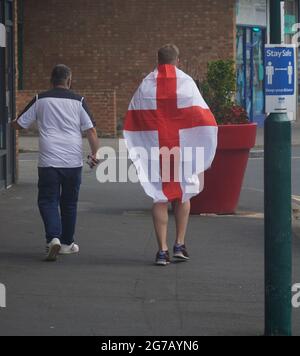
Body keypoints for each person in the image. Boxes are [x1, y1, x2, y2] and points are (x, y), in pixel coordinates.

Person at [124, 45, 218, 266]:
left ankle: (162, 251)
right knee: (183, 194)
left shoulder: (146, 84)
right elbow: (202, 115)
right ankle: (179, 244)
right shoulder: (187, 83)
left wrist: (140, 145)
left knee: (159, 196)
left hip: (156, 150)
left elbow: (134, 117)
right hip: (183, 149)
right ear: (178, 60)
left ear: (157, 60)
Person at [12, 64, 99, 262]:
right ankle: (67, 244)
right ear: (69, 80)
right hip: (72, 161)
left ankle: (53, 238)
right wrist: (95, 154)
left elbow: (20, 124)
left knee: (47, 200)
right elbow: (91, 131)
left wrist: (10, 122)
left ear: (51, 80)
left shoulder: (40, 99)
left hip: (48, 161)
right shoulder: (79, 101)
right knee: (69, 203)